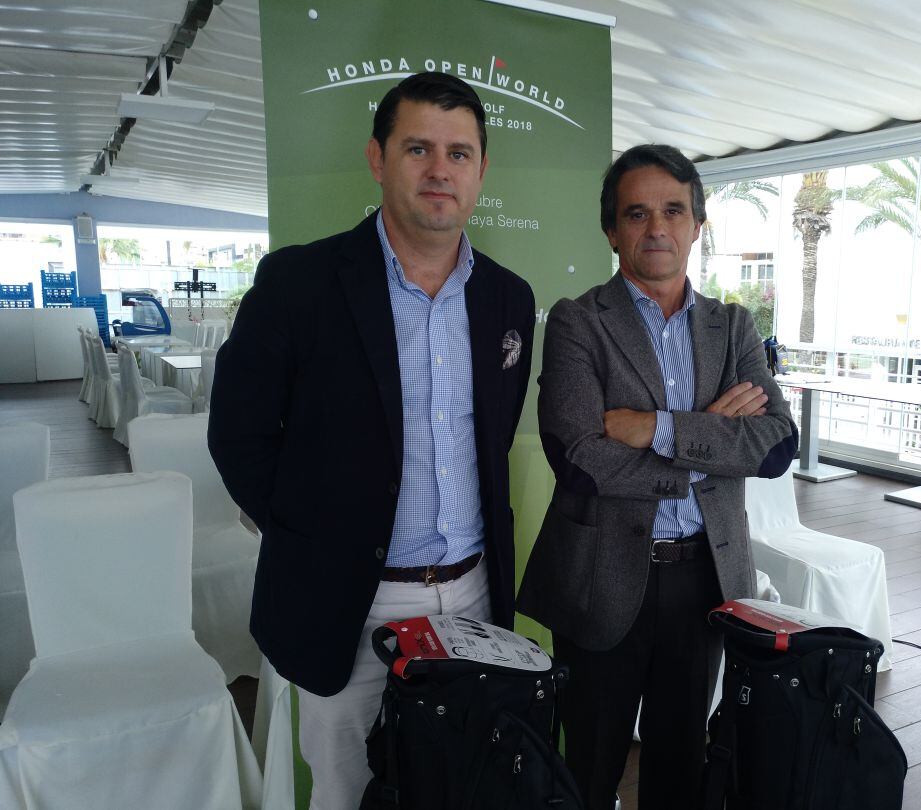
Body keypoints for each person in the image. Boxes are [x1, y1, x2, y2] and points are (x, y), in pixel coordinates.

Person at [208, 72, 535, 810]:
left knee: (463, 784)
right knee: (347, 790)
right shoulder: (299, 282)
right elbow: (238, 434)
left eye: (459, 152)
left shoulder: (508, 297)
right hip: (353, 607)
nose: (438, 169)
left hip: (476, 595)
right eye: (417, 147)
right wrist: (310, 537)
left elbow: (492, 436)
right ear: (377, 157)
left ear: (482, 169)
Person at [517, 144, 797, 809]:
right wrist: (709, 442)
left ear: (698, 223)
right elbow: (581, 462)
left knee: (682, 763)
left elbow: (776, 445)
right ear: (612, 231)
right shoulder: (578, 322)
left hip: (706, 575)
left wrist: (658, 427)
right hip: (602, 576)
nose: (656, 228)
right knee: (588, 762)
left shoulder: (733, 328)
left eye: (673, 210)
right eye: (636, 214)